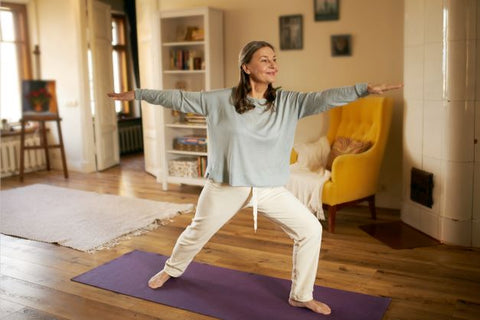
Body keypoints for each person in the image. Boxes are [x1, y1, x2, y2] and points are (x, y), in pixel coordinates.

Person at [108, 40, 402, 315]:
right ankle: (171, 269)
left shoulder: (289, 102)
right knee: (197, 232)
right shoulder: (220, 101)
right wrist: (138, 94)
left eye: (274, 59)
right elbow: (180, 98)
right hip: (226, 186)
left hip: (269, 188)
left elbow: (324, 98)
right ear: (246, 67)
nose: (273, 64)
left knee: (311, 229)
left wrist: (362, 89)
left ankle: (301, 294)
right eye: (264, 59)